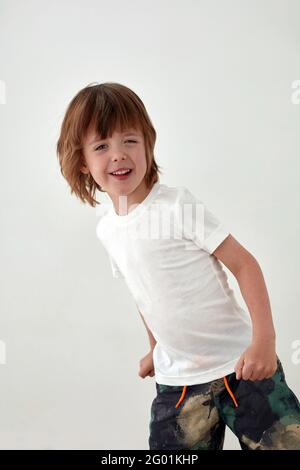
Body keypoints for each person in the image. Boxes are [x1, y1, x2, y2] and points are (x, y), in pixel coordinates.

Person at [56, 81, 300, 450]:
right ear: (83, 163)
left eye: (129, 141)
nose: (119, 154)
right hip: (179, 384)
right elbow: (144, 292)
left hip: (240, 368)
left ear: (148, 145)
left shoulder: (176, 206)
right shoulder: (108, 230)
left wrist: (263, 341)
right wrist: (155, 347)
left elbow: (245, 264)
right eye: (102, 146)